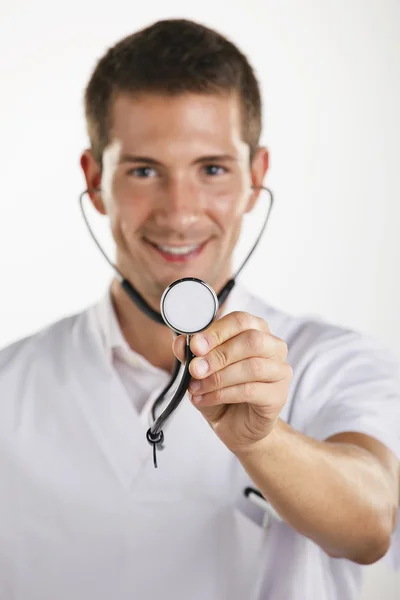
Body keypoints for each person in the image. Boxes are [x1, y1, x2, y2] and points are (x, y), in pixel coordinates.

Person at [0, 18, 399, 600]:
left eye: (212, 169)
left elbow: (372, 525)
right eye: (143, 171)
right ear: (95, 181)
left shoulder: (334, 363)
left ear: (255, 178)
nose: (180, 213)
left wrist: (262, 443)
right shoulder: (10, 387)